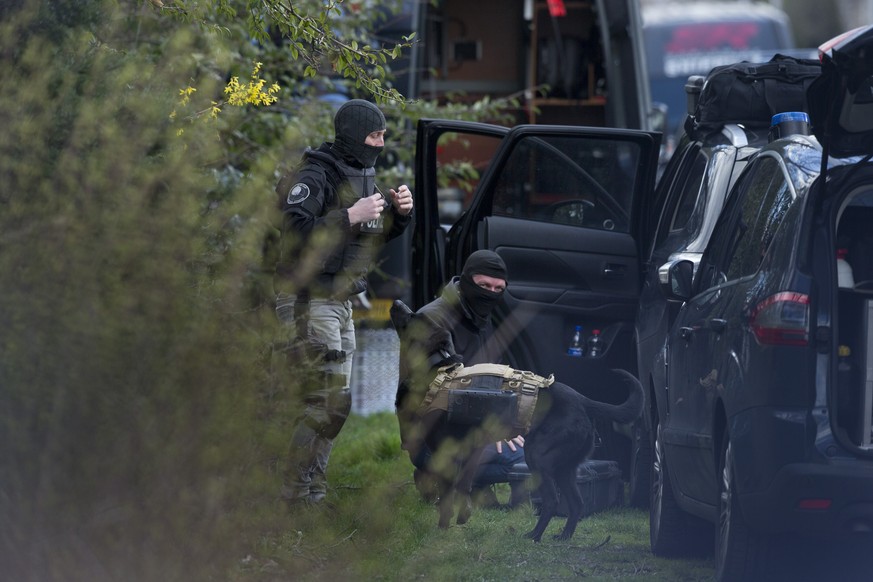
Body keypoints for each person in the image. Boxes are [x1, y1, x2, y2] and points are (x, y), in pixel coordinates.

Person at [273, 99, 413, 506]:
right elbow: (295, 229)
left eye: (384, 135)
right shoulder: (315, 173)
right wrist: (350, 215)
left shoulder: (362, 174)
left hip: (340, 301)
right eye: (375, 135)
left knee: (336, 405)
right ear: (355, 135)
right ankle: (293, 494)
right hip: (308, 300)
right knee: (321, 403)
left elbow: (363, 242)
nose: (381, 144)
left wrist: (399, 215)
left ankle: (311, 490)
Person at [395, 250, 526, 508]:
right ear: (466, 282)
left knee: (533, 440)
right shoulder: (432, 319)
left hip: (468, 423)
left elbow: (490, 380)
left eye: (498, 288)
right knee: (523, 459)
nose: (491, 293)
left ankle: (473, 485)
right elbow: (442, 394)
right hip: (432, 435)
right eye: (484, 285)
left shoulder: (479, 315)